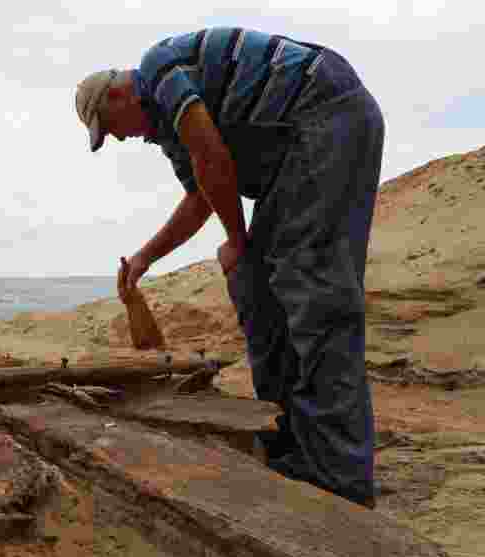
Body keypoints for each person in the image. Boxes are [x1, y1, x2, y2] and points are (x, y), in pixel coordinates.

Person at [75, 27, 384, 509]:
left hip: (324, 115)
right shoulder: (169, 132)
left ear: (118, 94)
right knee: (255, 288)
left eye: (111, 127)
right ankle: (290, 446)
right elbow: (200, 195)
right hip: (290, 155)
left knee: (314, 295)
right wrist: (143, 259)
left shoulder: (160, 68)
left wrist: (237, 241)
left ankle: (339, 476)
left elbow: (213, 157)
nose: (118, 138)